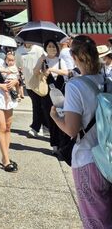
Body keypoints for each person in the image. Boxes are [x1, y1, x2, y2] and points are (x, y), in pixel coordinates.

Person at [50, 35, 112, 227]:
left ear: (74, 56)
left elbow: (72, 129)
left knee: (95, 220)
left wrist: (55, 117)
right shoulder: (109, 81)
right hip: (109, 155)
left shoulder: (75, 86)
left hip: (88, 160)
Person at [35, 39, 73, 152]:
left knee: (63, 117)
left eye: (54, 47)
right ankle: (54, 145)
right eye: (49, 46)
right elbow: (35, 72)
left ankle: (63, 144)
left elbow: (67, 72)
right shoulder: (43, 60)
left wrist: (52, 69)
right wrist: (41, 64)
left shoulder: (61, 60)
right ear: (46, 48)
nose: (52, 48)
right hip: (47, 95)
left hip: (61, 94)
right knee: (51, 119)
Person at [18, 39, 47, 137]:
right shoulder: (19, 51)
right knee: (36, 105)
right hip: (29, 83)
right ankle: (37, 127)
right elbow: (18, 65)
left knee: (43, 105)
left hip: (40, 82)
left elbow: (46, 61)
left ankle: (40, 126)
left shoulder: (39, 49)